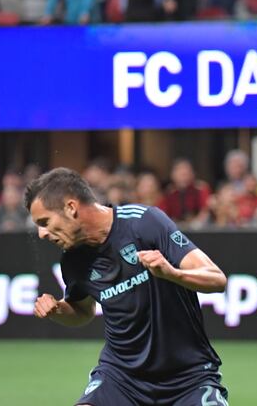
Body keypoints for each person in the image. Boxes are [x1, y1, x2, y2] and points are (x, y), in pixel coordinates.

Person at [26, 168, 228, 405]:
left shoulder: (144, 222)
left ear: (71, 207)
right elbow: (83, 311)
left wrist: (172, 274)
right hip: (121, 379)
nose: (41, 234)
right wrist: (59, 310)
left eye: (44, 222)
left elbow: (216, 279)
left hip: (189, 378)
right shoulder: (72, 260)